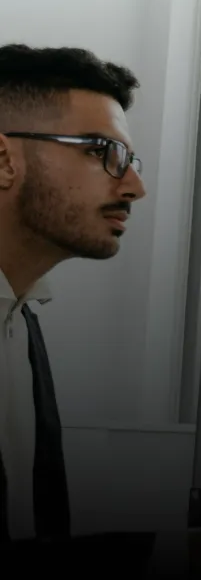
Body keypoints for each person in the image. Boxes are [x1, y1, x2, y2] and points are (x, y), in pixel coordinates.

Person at [0, 44, 146, 552]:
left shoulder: (19, 316)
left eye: (127, 159)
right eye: (99, 151)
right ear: (3, 160)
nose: (134, 186)